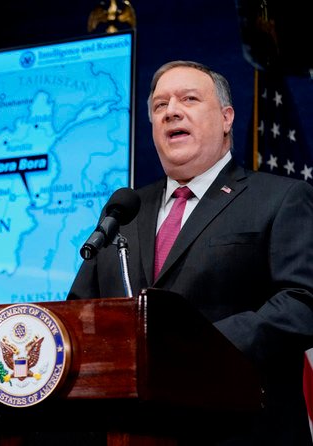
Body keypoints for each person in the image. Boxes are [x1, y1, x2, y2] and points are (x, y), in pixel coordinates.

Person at [67, 60, 313, 445]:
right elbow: (80, 312)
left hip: (242, 431)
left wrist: (202, 344)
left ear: (227, 117)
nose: (172, 112)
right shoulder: (123, 211)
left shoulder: (280, 199)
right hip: (132, 432)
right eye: (160, 105)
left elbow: (303, 302)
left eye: (189, 99)